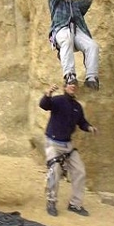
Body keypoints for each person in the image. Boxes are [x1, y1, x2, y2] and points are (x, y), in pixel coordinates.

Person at [39, 78, 98, 217]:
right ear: (65, 87)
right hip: (53, 143)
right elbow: (44, 105)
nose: (73, 86)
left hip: (68, 145)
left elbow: (81, 122)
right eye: (70, 84)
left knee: (80, 171)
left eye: (75, 85)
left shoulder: (77, 106)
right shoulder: (58, 100)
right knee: (55, 170)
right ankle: (51, 201)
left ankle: (75, 204)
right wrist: (48, 94)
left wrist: (89, 128)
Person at [48, 0, 99, 90]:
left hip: (75, 32)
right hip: (61, 30)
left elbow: (86, 1)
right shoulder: (54, 2)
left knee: (92, 46)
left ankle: (91, 78)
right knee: (67, 37)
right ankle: (69, 75)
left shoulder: (74, 5)